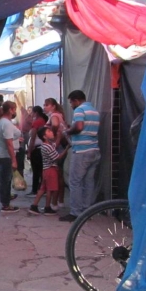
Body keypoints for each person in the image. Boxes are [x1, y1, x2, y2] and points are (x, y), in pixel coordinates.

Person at [59, 90, 101, 222]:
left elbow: (79, 127)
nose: (71, 105)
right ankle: (86, 211)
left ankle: (75, 213)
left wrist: (68, 131)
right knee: (89, 182)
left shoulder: (79, 110)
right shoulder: (94, 111)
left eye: (71, 102)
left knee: (75, 182)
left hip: (82, 151)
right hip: (94, 150)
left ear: (76, 100)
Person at [28, 126, 69, 216]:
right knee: (50, 189)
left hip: (46, 170)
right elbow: (58, 157)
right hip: (51, 170)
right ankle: (47, 208)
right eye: (49, 131)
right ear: (44, 136)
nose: (51, 132)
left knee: (43, 189)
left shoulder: (47, 145)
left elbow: (55, 144)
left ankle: (34, 206)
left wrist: (59, 135)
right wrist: (67, 149)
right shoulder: (48, 147)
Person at [0, 101, 19, 213]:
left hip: (0, 153)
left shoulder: (3, 121)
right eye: (14, 109)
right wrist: (14, 160)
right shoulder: (6, 123)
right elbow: (8, 143)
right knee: (5, 180)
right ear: (10, 110)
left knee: (4, 179)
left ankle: (6, 198)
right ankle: (5, 204)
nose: (15, 111)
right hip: (4, 155)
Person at [43, 97, 69, 208]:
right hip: (61, 145)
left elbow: (55, 126)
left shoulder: (54, 116)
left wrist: (52, 138)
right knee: (59, 175)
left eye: (47, 105)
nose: (44, 107)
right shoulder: (59, 115)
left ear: (53, 106)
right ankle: (60, 200)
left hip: (58, 146)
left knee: (56, 175)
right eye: (44, 105)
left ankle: (54, 202)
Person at [26, 106, 48, 197]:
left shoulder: (37, 122)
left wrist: (29, 151)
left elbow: (33, 138)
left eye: (32, 112)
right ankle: (42, 188)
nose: (31, 114)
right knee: (41, 170)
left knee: (36, 170)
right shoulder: (43, 120)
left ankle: (35, 190)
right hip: (42, 147)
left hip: (36, 148)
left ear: (36, 112)